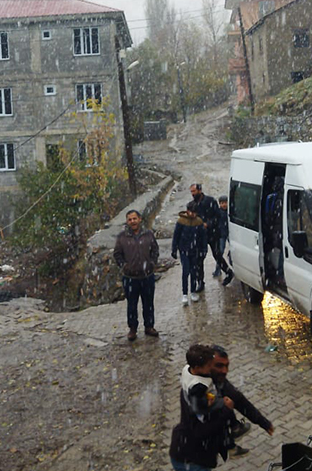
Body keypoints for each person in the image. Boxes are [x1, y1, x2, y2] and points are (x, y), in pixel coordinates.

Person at [170, 344, 235, 470]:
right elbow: (202, 428)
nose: (211, 368)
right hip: (193, 461)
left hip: (183, 453)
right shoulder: (198, 387)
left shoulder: (189, 372)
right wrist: (225, 409)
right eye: (209, 366)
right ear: (198, 368)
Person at [210, 345, 274, 457]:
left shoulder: (218, 379)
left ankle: (232, 438)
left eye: (226, 366)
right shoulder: (199, 386)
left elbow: (238, 399)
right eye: (219, 366)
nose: (225, 371)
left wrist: (263, 422)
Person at [113, 209, 160, 341]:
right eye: (130, 219)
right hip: (130, 278)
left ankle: (149, 326)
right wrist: (124, 266)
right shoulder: (122, 237)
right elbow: (117, 254)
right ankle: (132, 329)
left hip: (147, 276)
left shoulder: (148, 234)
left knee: (148, 303)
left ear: (139, 219)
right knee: (132, 305)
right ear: (127, 221)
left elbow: (155, 250)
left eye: (134, 219)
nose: (132, 221)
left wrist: (152, 263)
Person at [189, 183, 234, 286]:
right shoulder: (192, 205)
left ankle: (228, 272)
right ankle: (200, 282)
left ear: (199, 190)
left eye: (194, 191)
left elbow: (218, 216)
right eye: (191, 192)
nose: (192, 194)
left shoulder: (210, 201)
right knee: (199, 258)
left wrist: (208, 224)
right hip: (200, 236)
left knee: (217, 255)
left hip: (213, 233)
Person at [171, 201, 208, 305]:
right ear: (187, 211)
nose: (193, 214)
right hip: (184, 250)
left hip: (195, 250)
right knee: (185, 271)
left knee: (194, 271)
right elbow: (176, 236)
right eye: (191, 212)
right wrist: (174, 249)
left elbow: (203, 238)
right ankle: (184, 293)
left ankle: (193, 291)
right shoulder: (181, 221)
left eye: (194, 212)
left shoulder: (199, 222)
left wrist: (203, 249)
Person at [211, 195, 230, 278]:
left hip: (230, 234)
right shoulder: (218, 212)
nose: (224, 205)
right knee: (220, 252)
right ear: (219, 204)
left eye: (225, 203)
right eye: (222, 203)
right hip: (221, 235)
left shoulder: (230, 212)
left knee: (234, 250)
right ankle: (218, 270)